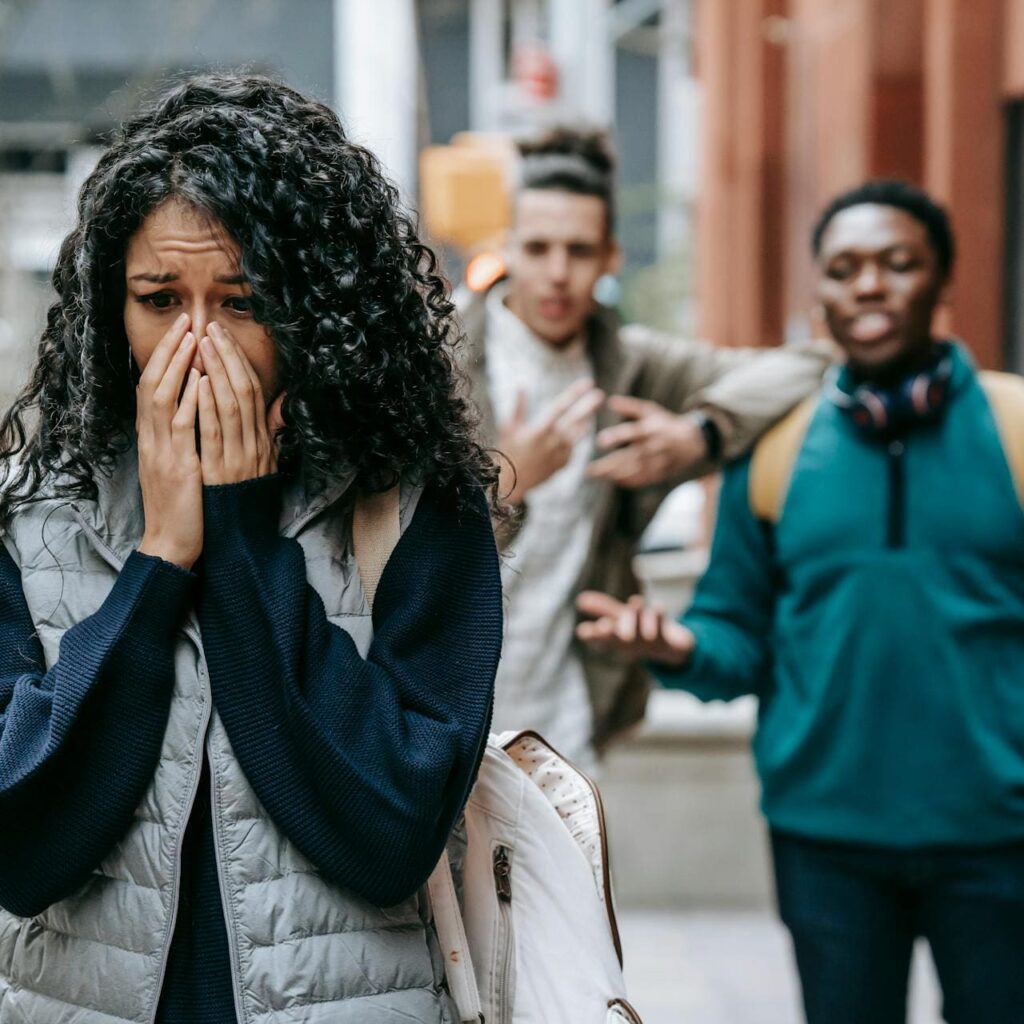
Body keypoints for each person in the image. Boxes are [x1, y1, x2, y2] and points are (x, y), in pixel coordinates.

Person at [0, 74, 503, 1024]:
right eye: (159, 299)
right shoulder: (30, 515)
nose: (197, 347)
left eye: (241, 303)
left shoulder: (413, 506)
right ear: (114, 314)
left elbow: (390, 832)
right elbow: (22, 850)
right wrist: (155, 565)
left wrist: (242, 539)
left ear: (312, 313)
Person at [577, 180, 1024, 1024]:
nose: (868, 285)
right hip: (828, 839)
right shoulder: (777, 449)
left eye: (898, 264)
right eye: (844, 268)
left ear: (944, 283)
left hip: (1000, 837)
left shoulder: (1015, 428)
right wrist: (681, 650)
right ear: (819, 293)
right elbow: (736, 634)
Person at [457, 127, 830, 766]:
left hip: (567, 717)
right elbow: (382, 544)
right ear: (508, 248)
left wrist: (700, 434)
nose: (556, 273)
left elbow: (816, 363)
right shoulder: (442, 361)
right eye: (538, 247)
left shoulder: (630, 366)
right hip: (444, 707)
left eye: (578, 251)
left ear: (610, 257)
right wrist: (505, 479)